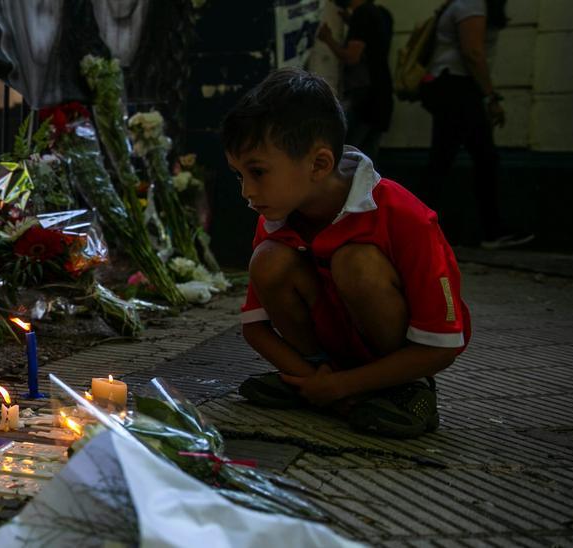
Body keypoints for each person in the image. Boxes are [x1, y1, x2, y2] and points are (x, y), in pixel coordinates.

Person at [223, 68, 470, 439]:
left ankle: (405, 392)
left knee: (355, 262)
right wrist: (317, 381)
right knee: (269, 260)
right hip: (325, 367)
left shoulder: (403, 216)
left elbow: (441, 346)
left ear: (319, 164)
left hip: (402, 359)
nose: (247, 191)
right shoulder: (277, 218)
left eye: (258, 172)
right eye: (239, 175)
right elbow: (255, 329)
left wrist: (339, 388)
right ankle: (316, 381)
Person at [420, 0, 532, 249]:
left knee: (447, 159)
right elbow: (473, 52)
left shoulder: (463, 3)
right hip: (457, 85)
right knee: (481, 158)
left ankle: (415, 227)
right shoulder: (471, 4)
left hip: (449, 85)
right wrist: (491, 96)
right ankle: (491, 230)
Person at [317, 0, 394, 164]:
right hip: (380, 94)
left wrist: (327, 38)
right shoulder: (380, 13)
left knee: (348, 154)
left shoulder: (362, 14)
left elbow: (352, 57)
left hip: (365, 98)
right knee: (367, 158)